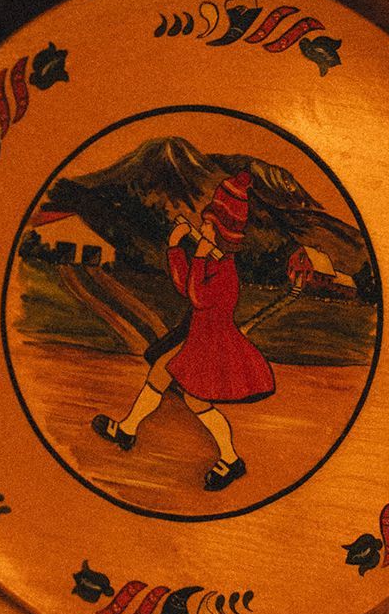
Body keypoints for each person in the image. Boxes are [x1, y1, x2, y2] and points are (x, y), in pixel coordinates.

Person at [92, 169, 274, 490]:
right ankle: (128, 429)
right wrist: (176, 250)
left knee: (197, 403)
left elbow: (199, 297)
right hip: (196, 336)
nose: (201, 228)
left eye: (207, 225)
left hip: (210, 344)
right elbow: (184, 285)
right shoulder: (211, 261)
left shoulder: (225, 270)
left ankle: (231, 460)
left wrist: (200, 258)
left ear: (221, 232)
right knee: (160, 373)